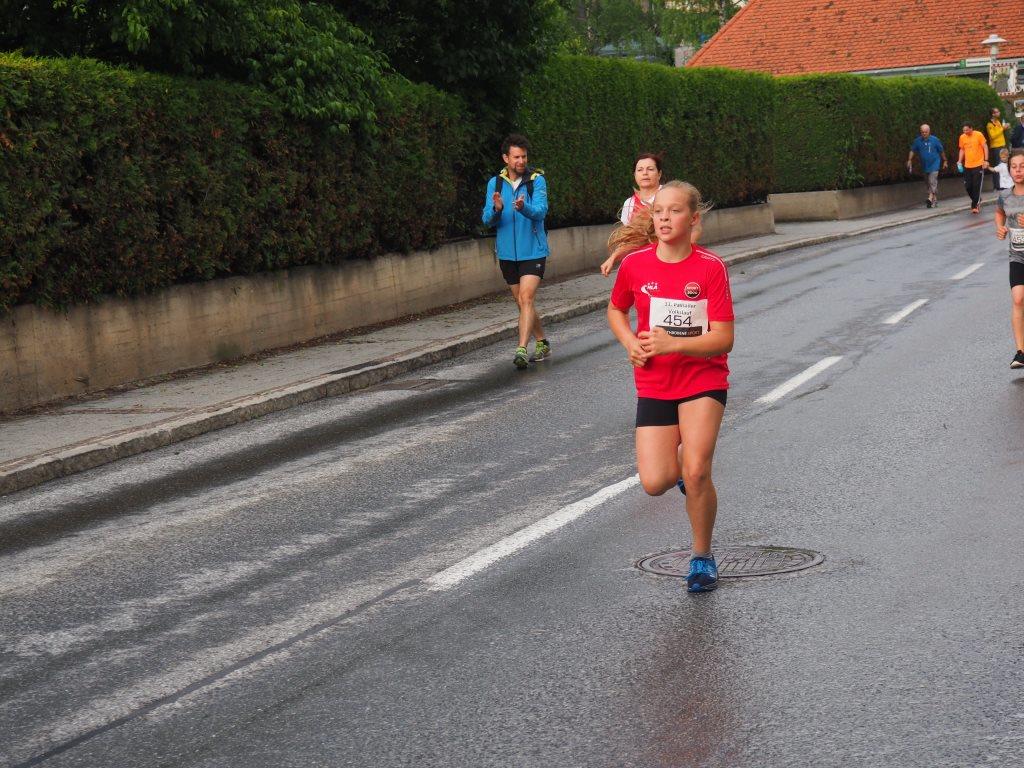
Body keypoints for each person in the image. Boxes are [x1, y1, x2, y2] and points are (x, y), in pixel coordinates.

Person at [606, 181, 734, 593]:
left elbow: (724, 338)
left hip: (703, 378)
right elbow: (616, 310)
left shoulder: (710, 267)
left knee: (697, 471)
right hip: (655, 381)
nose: (664, 217)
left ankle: (702, 558)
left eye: (674, 211)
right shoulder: (635, 265)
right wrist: (630, 343)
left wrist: (674, 344)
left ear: (692, 219)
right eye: (659, 211)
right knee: (654, 481)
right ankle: (682, 464)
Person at [482, 133, 551, 369]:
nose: (521, 161)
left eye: (524, 156)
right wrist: (497, 209)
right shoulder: (495, 184)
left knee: (526, 297)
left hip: (533, 250)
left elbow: (541, 211)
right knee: (522, 302)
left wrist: (524, 207)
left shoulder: (536, 181)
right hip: (507, 254)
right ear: (506, 158)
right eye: (516, 157)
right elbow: (486, 219)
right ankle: (542, 341)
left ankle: (521, 348)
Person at [600, 153, 702, 276]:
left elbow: (695, 229)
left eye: (650, 169)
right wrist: (613, 258)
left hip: (673, 263)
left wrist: (678, 258)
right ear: (634, 175)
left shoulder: (672, 194)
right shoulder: (629, 204)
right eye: (640, 170)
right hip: (643, 267)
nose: (645, 173)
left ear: (659, 174)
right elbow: (629, 240)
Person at [994, 148, 1024, 369]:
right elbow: (999, 212)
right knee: (1018, 299)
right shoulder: (1005, 196)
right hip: (1018, 255)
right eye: (1014, 167)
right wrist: (1000, 228)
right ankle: (1021, 352)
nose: (1018, 170)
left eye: (1022, 166)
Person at [906, 123, 948, 208]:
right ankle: (934, 200)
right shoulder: (917, 141)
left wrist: (945, 160)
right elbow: (912, 150)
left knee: (932, 181)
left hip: (934, 164)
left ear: (929, 131)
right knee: (928, 183)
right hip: (924, 165)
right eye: (922, 132)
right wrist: (909, 160)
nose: (924, 133)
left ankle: (930, 197)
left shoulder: (935, 140)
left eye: (926, 132)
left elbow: (941, 151)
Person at [957, 122, 989, 214]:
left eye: (967, 130)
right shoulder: (962, 137)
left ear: (971, 128)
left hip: (978, 164)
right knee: (968, 186)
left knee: (976, 186)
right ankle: (977, 199)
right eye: (964, 130)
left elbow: (985, 146)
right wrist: (959, 161)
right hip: (967, 165)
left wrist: (986, 160)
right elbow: (962, 149)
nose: (965, 132)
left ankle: (975, 205)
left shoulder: (978, 135)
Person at [986, 107, 1010, 187]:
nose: (999, 113)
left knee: (1004, 166)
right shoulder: (989, 124)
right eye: (997, 112)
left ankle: (1004, 184)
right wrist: (1002, 128)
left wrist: (1006, 127)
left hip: (1002, 145)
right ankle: (998, 185)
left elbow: (1001, 131)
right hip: (996, 147)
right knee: (998, 166)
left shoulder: (998, 121)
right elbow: (993, 136)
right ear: (993, 114)